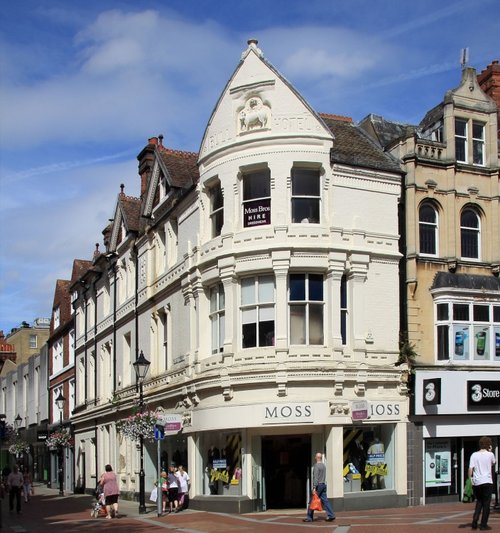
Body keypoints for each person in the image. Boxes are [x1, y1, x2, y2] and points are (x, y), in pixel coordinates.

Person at [468, 436, 496, 531]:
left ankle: (475, 519)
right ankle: (483, 525)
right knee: (486, 504)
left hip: (477, 482)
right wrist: (490, 450)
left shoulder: (474, 455)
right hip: (487, 481)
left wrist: (470, 479)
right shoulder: (490, 455)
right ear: (488, 445)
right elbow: (493, 463)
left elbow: (470, 469)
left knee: (479, 502)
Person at [303, 452, 335, 523]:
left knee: (312, 501)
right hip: (323, 484)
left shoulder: (316, 466)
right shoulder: (323, 466)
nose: (314, 458)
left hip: (318, 486)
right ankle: (331, 515)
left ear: (317, 458)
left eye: (315, 457)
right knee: (325, 501)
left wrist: (314, 487)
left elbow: (316, 477)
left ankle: (309, 517)